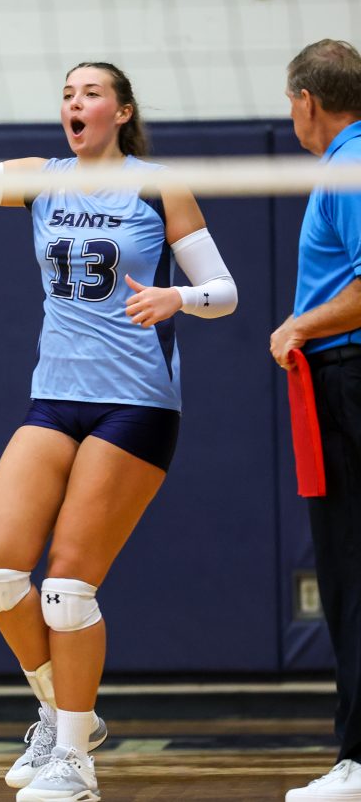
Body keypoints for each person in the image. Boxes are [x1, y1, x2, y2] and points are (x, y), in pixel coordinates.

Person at [0, 62, 237, 801]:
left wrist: (176, 296)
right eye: (66, 94)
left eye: (90, 94)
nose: (74, 104)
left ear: (121, 112)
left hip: (135, 405)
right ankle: (66, 716)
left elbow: (225, 292)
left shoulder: (157, 182)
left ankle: (75, 766)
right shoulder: (41, 176)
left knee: (66, 589)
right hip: (54, 397)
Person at [269, 39, 361, 802]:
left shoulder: (348, 166)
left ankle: (359, 758)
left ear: (306, 100)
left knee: (351, 570)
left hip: (349, 377)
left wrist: (299, 326)